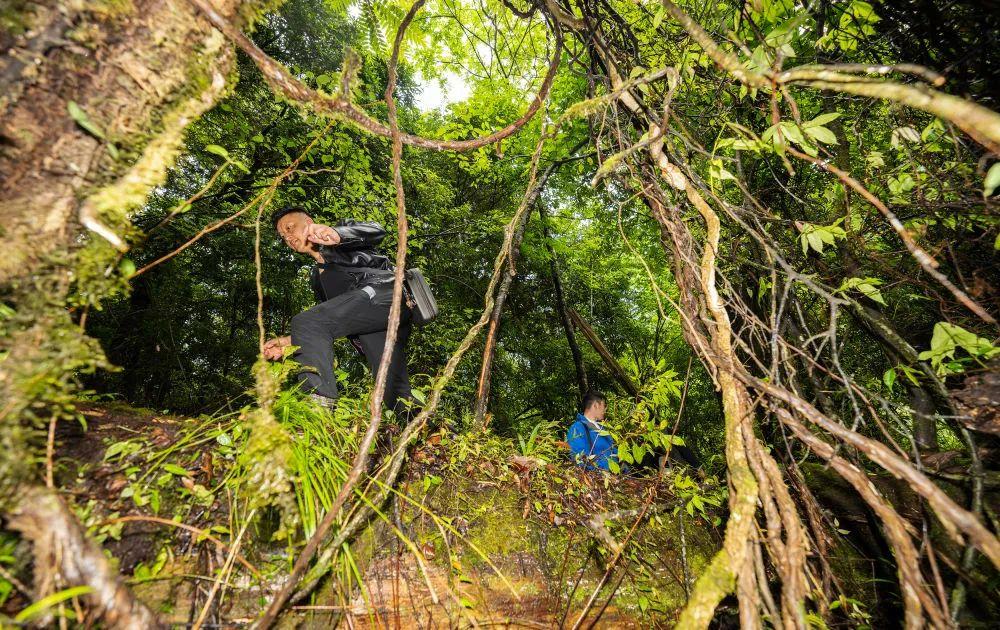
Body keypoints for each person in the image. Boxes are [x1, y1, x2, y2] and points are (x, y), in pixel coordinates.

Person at [262, 206, 415, 416]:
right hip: (369, 323)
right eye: (283, 235)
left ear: (308, 221)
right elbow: (331, 320)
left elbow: (376, 230)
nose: (287, 236)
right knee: (394, 392)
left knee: (306, 322)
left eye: (290, 227)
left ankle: (317, 411)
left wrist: (337, 235)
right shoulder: (318, 279)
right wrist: (289, 341)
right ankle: (427, 433)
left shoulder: (340, 235)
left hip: (386, 293)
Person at [566, 390, 621, 472]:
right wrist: (606, 470)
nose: (605, 409)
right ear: (595, 405)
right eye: (604, 406)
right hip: (598, 479)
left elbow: (615, 452)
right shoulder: (578, 428)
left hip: (617, 478)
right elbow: (580, 460)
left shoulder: (603, 429)